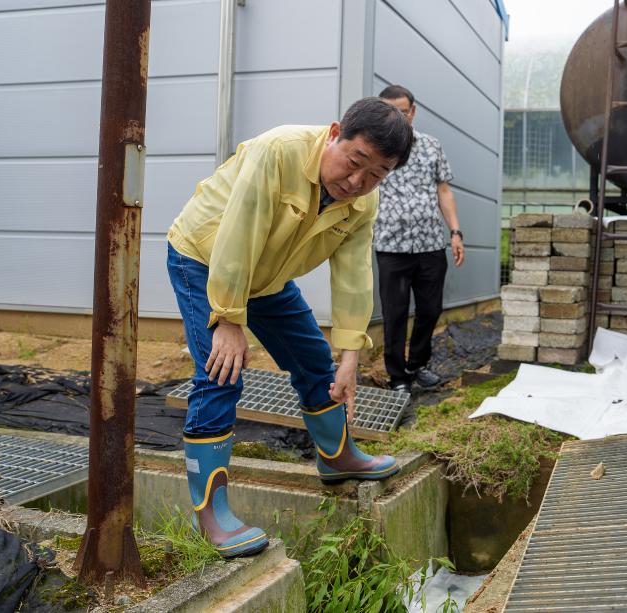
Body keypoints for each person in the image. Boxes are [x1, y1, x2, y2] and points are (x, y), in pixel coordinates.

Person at [166, 97, 414, 557]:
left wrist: (351, 357)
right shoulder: (278, 151)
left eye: (376, 175)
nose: (357, 182)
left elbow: (355, 275)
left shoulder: (362, 202)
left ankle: (337, 456)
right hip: (204, 257)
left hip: (268, 276)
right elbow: (239, 233)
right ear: (335, 133)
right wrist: (228, 318)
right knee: (221, 372)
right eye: (354, 162)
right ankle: (210, 513)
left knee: (315, 360)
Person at [374, 85, 465, 394]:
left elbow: (444, 190)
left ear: (412, 112)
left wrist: (455, 231)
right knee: (395, 314)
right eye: (389, 112)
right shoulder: (375, 146)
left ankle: (417, 364)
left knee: (430, 309)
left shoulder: (431, 146)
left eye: (401, 112)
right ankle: (398, 377)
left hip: (430, 244)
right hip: (391, 246)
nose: (396, 118)